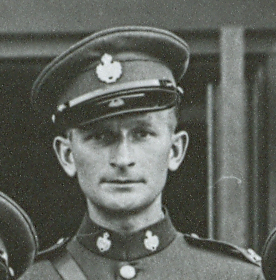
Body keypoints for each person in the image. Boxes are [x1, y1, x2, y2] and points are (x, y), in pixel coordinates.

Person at [19, 26, 265, 279]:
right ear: (67, 156)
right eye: (101, 137)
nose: (123, 159)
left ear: (175, 150)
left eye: (142, 134)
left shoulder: (235, 276)